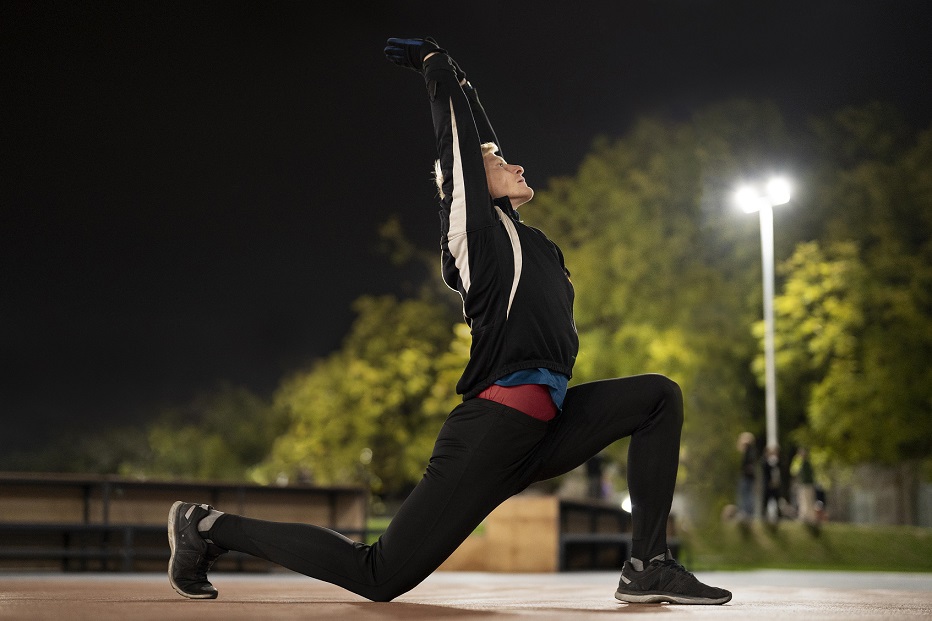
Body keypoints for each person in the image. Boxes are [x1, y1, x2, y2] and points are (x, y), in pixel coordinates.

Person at [166, 37, 732, 606]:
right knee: (378, 576)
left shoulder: (533, 243)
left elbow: (479, 140)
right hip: (491, 431)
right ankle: (206, 528)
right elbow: (459, 147)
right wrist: (435, 67)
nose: (514, 163)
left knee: (659, 397)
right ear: (461, 186)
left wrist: (464, 81)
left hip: (547, 428)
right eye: (497, 164)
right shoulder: (472, 238)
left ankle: (647, 564)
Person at [790, 446, 816, 524]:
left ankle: (811, 517)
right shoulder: (798, 462)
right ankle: (804, 516)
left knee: (809, 500)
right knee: (802, 500)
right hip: (802, 484)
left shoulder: (808, 463)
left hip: (808, 484)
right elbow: (793, 472)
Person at [736, 431, 757, 519]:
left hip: (747, 476)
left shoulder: (748, 451)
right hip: (748, 476)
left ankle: (746, 512)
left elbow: (747, 464)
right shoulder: (750, 451)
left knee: (746, 494)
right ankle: (746, 511)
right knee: (747, 493)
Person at [761, 445, 783, 524]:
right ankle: (764, 516)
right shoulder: (766, 461)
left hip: (776, 484)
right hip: (768, 484)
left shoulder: (777, 462)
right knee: (766, 500)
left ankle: (779, 516)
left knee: (777, 499)